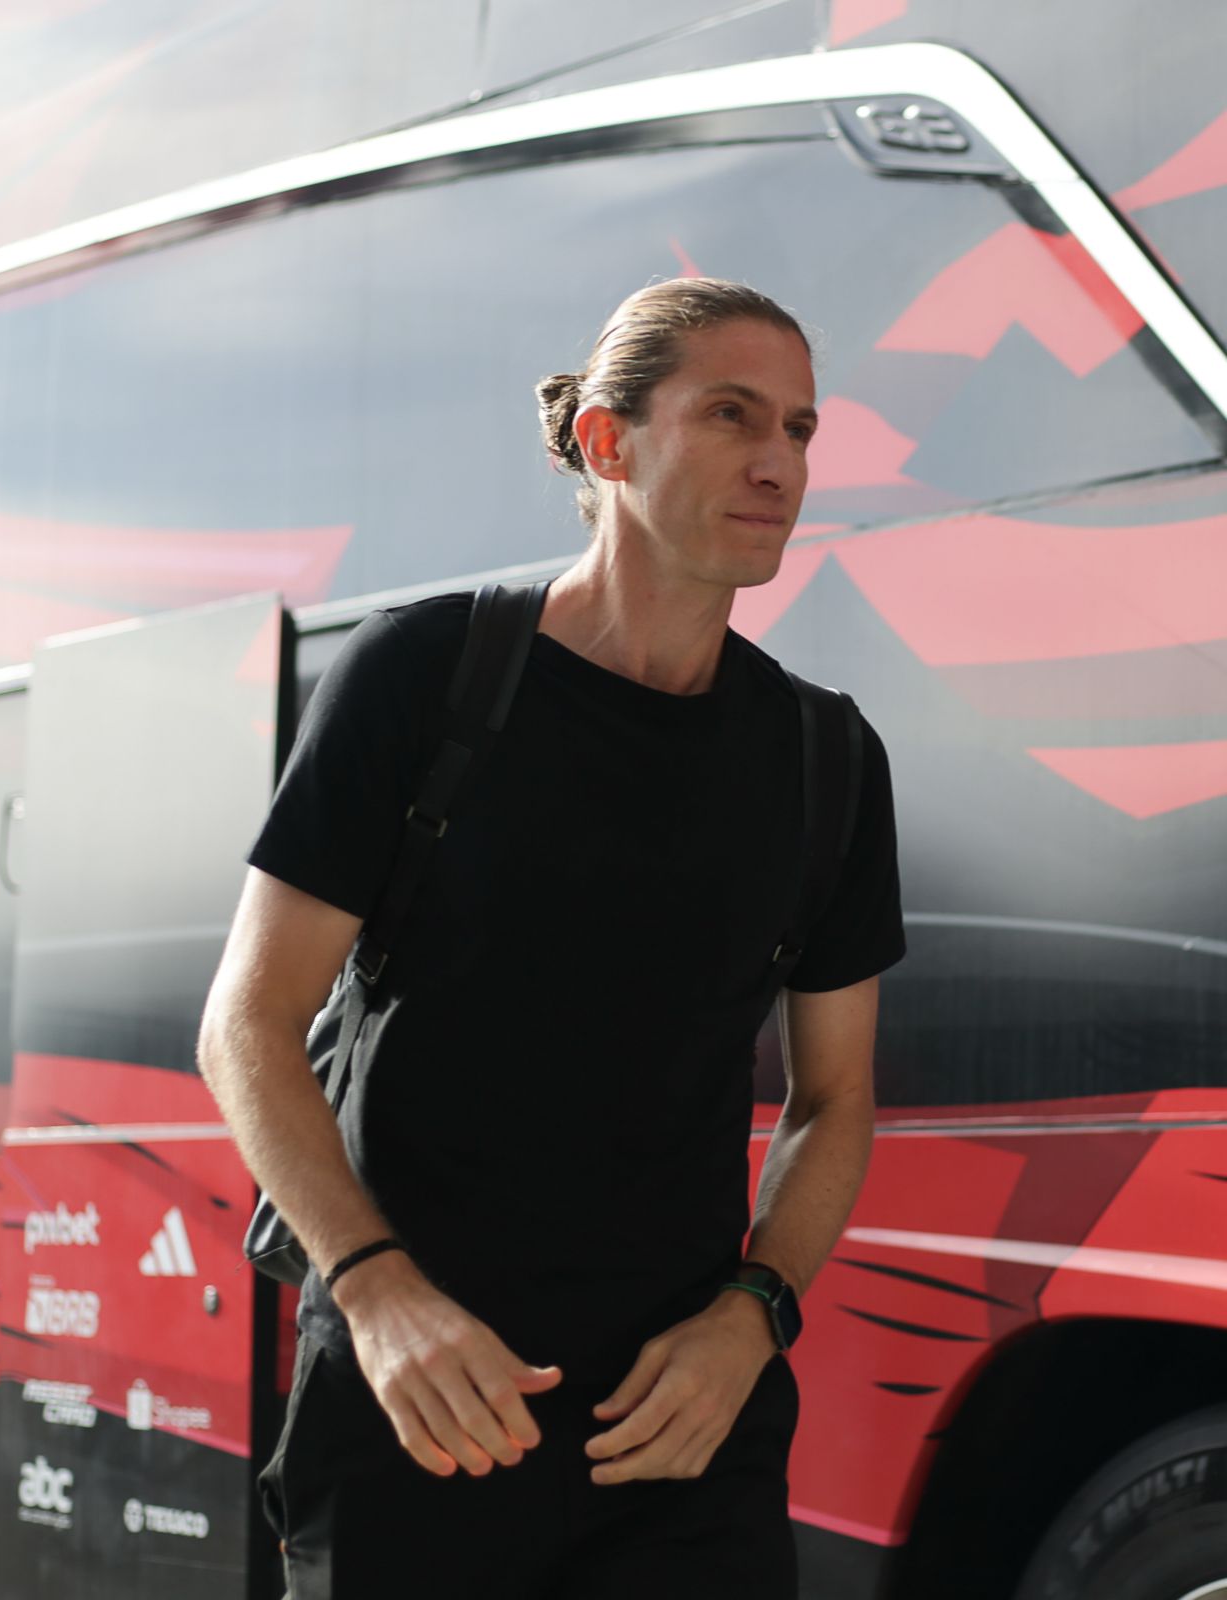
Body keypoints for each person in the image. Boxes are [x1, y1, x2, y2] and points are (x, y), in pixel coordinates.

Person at [197, 276, 906, 1598]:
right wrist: (376, 1292)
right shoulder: (429, 676)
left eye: (801, 429)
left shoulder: (828, 756)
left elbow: (836, 1098)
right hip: (421, 1409)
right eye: (733, 415)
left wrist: (754, 1316)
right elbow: (248, 1024)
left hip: (682, 1436)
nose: (780, 464)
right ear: (605, 442)